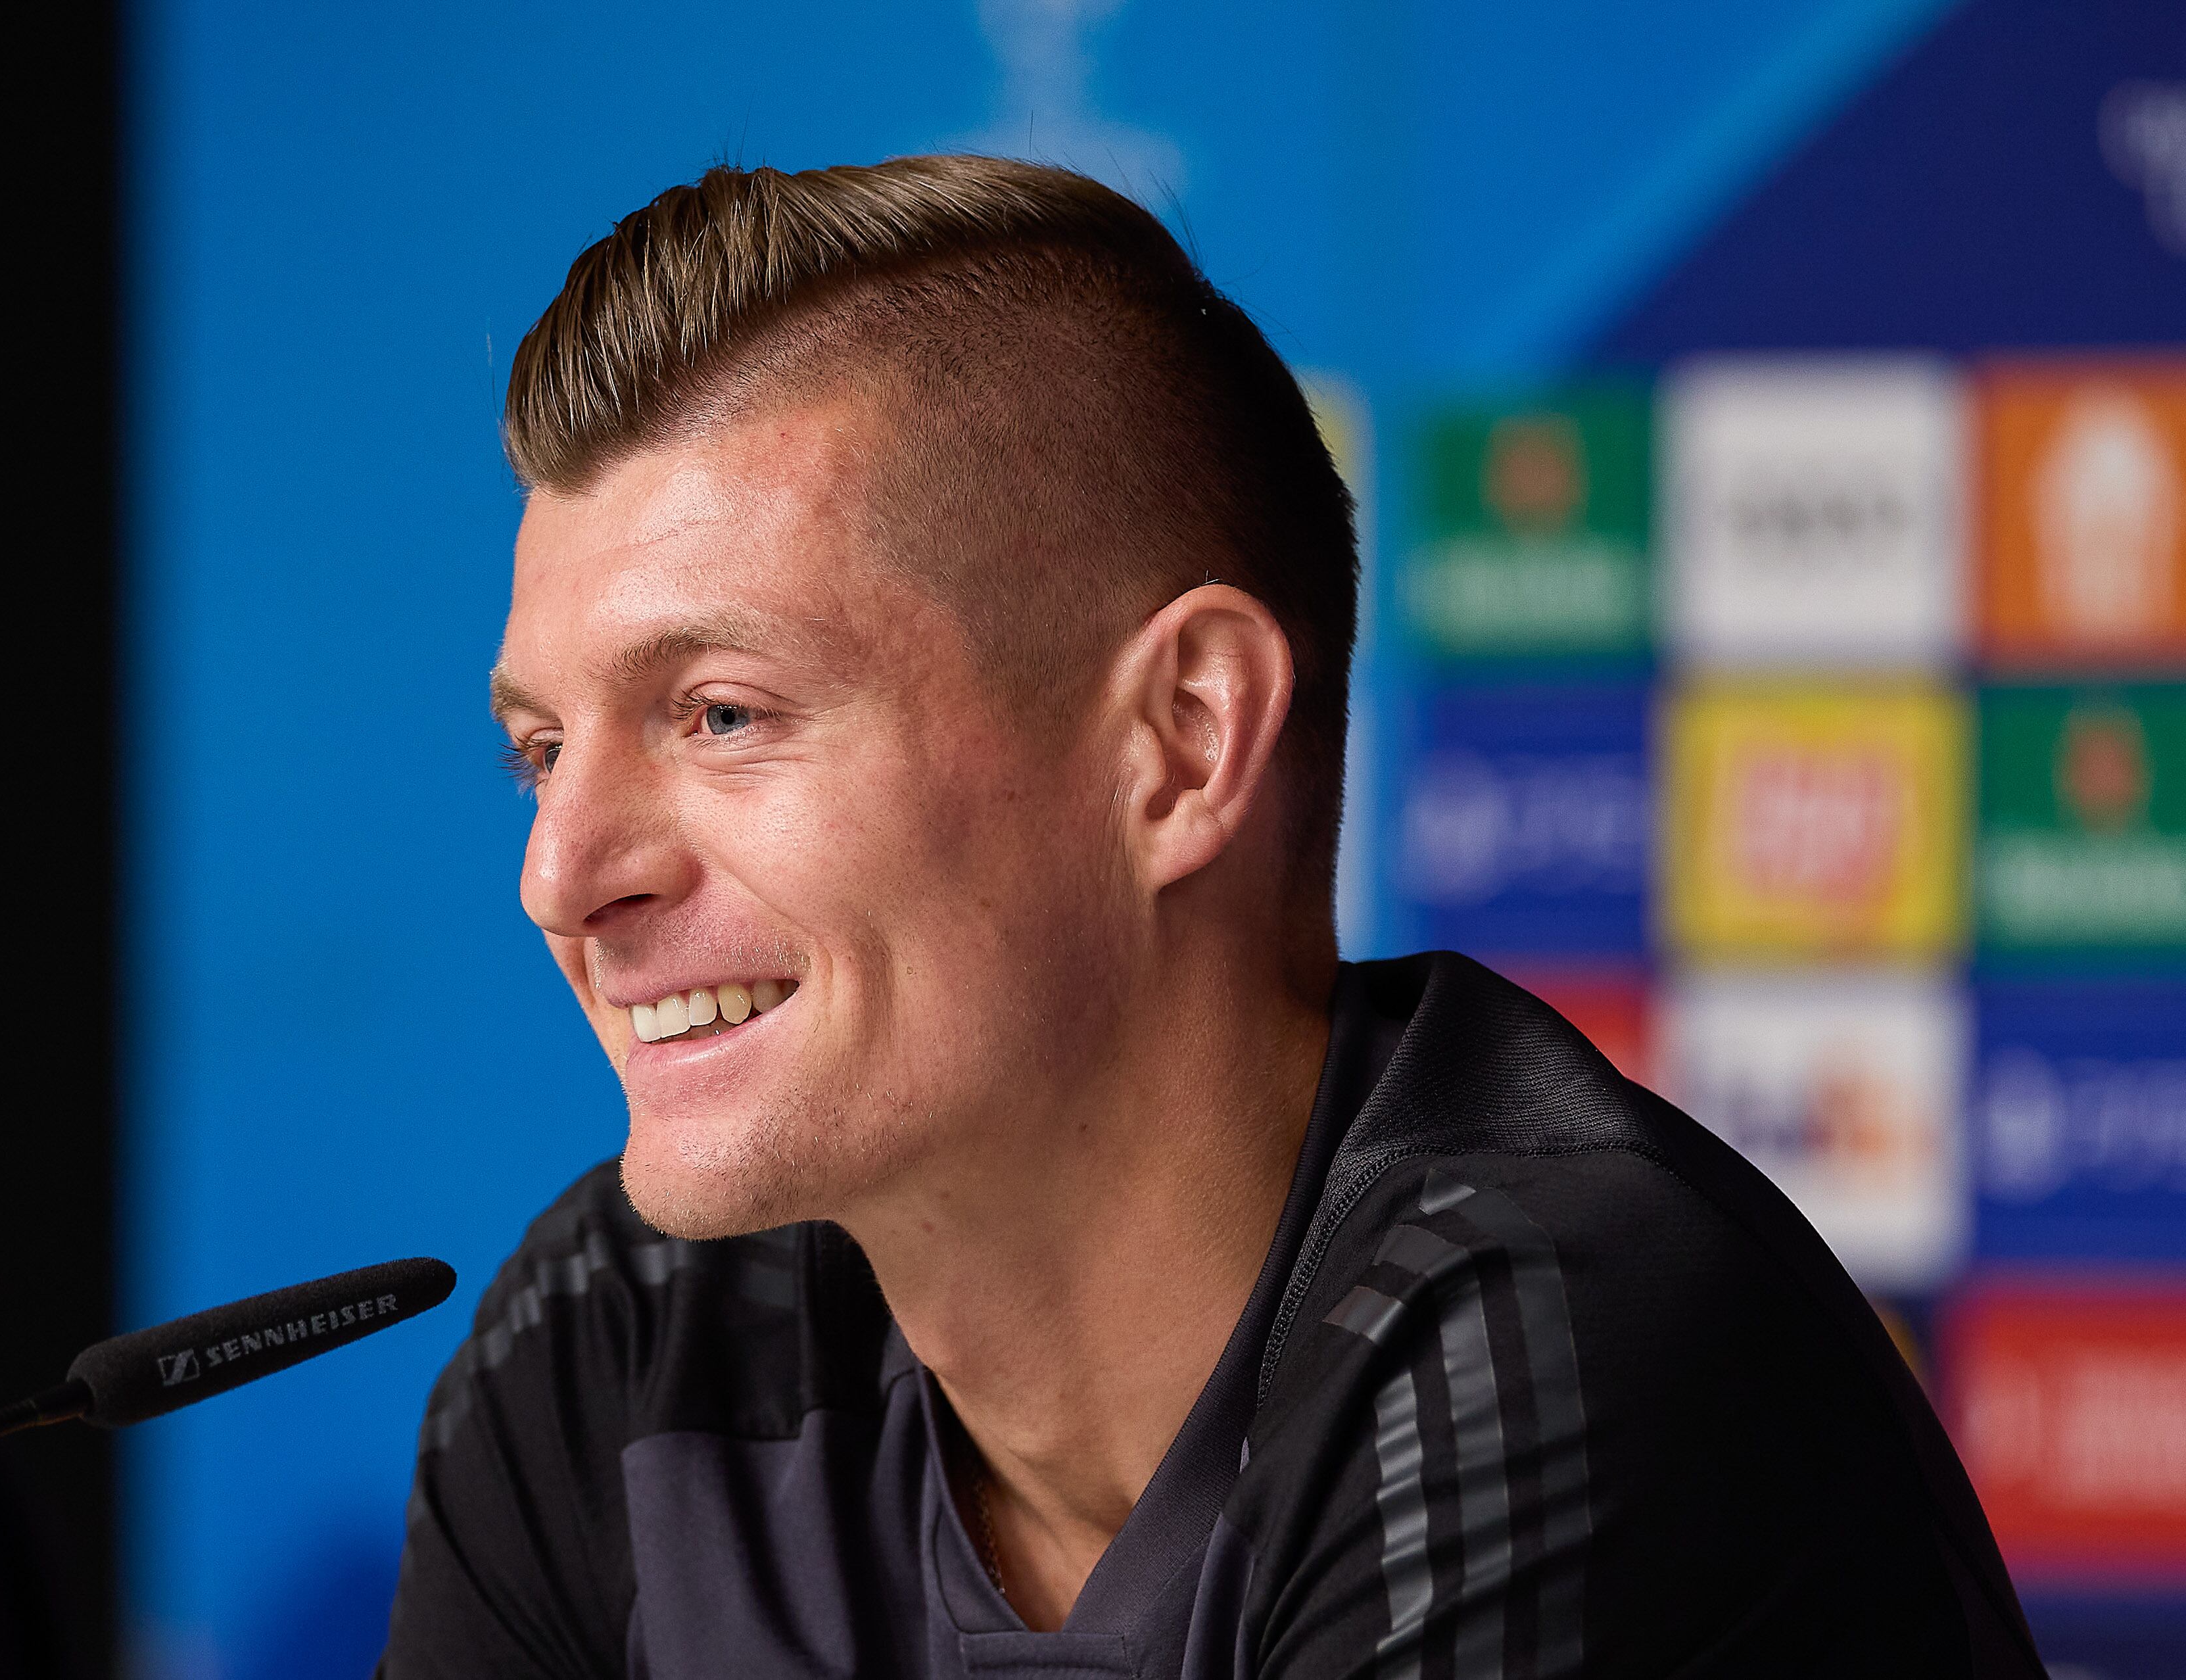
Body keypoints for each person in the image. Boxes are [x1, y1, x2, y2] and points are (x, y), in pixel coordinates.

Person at [379, 156, 2041, 1679]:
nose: (561, 876)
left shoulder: (1556, 1345)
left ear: (1181, 740)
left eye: (722, 714)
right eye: (537, 750)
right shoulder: (632, 1331)